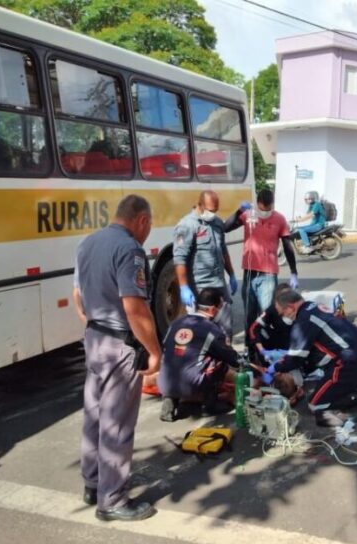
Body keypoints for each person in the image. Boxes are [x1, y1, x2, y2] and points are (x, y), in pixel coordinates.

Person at [75, 194, 161, 522]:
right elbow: (135, 307)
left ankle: (93, 482)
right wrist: (154, 351)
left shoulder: (88, 244)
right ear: (141, 220)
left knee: (94, 415)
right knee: (117, 423)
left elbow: (78, 298)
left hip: (94, 339)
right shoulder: (129, 249)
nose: (147, 231)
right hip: (119, 345)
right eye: (149, 225)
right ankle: (111, 500)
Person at [272, 288, 357, 427]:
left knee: (316, 405)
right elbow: (313, 353)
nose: (283, 317)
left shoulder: (304, 321)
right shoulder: (315, 307)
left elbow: (294, 359)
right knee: (327, 378)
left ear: (291, 307)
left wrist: (275, 367)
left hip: (351, 362)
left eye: (282, 313)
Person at [224, 189, 299, 335]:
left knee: (266, 315)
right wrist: (239, 211)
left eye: (268, 209)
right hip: (249, 273)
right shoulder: (248, 215)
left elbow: (287, 246)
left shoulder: (279, 219)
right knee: (249, 316)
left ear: (273, 204)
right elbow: (226, 228)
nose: (265, 213)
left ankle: (265, 349)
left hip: (268, 276)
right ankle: (250, 350)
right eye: (262, 209)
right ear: (257, 204)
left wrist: (293, 271)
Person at [158, 287, 239, 422]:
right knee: (220, 362)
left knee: (176, 355)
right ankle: (209, 405)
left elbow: (166, 347)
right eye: (221, 307)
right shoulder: (212, 330)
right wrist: (243, 362)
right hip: (191, 386)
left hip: (164, 382)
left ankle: (170, 400)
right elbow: (231, 358)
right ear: (213, 309)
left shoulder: (176, 322)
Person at [173, 190, 237, 338]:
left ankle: (225, 359)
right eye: (210, 210)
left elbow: (223, 250)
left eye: (215, 210)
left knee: (225, 331)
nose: (213, 214)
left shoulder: (217, 223)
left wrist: (232, 274)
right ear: (200, 205)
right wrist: (183, 287)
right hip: (200, 289)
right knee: (201, 334)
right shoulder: (187, 225)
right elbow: (180, 259)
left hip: (219, 286)